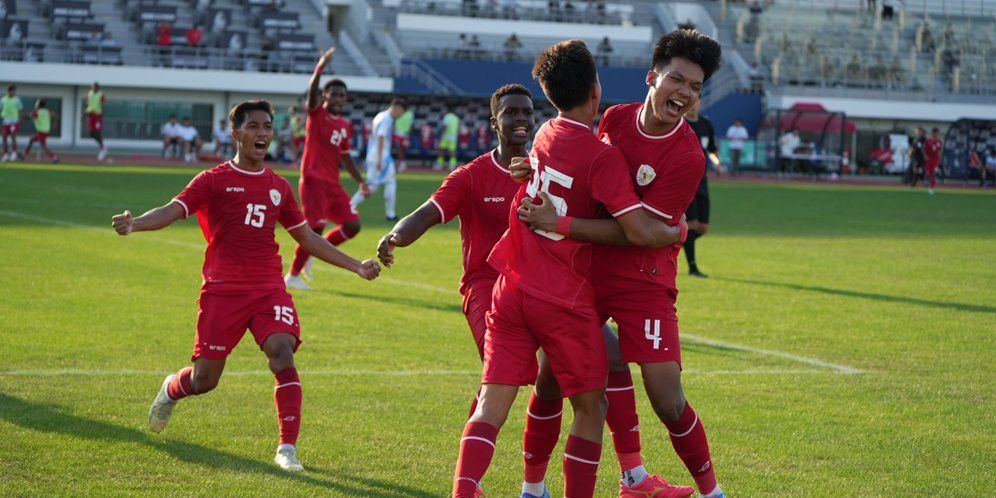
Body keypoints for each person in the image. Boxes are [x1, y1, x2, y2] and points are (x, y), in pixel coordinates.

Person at [451, 39, 687, 498]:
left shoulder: (542, 136)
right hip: (562, 296)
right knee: (590, 408)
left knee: (492, 405)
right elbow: (637, 230)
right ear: (596, 91)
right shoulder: (602, 156)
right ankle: (616, 479)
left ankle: (470, 491)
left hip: (511, 285)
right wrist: (675, 231)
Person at [110, 100, 380, 473]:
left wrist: (356, 266)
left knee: (282, 351)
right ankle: (172, 388)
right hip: (223, 290)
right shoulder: (212, 180)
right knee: (205, 379)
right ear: (235, 133)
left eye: (267, 126)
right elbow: (172, 210)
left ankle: (287, 448)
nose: (263, 133)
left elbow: (307, 238)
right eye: (253, 126)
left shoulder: (279, 187)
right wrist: (135, 223)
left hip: (268, 288)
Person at [514, 30, 726, 498]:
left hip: (643, 280)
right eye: (677, 80)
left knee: (667, 400)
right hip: (585, 273)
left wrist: (562, 223)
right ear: (652, 77)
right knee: (550, 379)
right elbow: (582, 179)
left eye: (695, 86)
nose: (686, 93)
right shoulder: (613, 119)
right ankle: (536, 487)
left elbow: (640, 235)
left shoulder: (688, 156)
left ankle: (712, 492)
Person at [375, 84, 538, 416]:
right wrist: (394, 236)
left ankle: (629, 466)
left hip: (537, 286)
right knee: (505, 369)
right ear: (494, 122)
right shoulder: (471, 176)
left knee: (575, 373)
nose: (520, 119)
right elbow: (427, 213)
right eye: (511, 112)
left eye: (526, 112)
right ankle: (471, 459)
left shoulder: (545, 172)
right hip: (486, 287)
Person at [284, 47, 370, 291]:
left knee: (352, 225)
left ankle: (312, 254)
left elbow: (346, 158)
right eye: (334, 95)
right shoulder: (316, 113)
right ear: (325, 97)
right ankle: (292, 275)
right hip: (313, 180)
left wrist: (360, 181)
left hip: (333, 183)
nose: (338, 99)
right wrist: (320, 66)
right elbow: (311, 93)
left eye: (342, 96)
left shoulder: (344, 125)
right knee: (315, 228)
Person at [350, 98, 407, 221]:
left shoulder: (380, 115)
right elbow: (381, 136)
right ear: (397, 107)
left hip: (373, 153)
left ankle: (350, 206)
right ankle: (390, 214)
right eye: (401, 112)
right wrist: (381, 159)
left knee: (374, 185)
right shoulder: (387, 119)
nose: (400, 115)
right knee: (387, 182)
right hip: (381, 155)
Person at [684, 100, 720, 279]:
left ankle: (673, 243)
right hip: (686, 182)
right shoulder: (680, 124)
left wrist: (717, 163)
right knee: (691, 224)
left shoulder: (706, 124)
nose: (693, 104)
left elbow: (712, 150)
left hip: (702, 181)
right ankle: (692, 268)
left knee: (702, 227)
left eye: (696, 100)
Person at [24, 99, 59, 163]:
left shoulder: (36, 112)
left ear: (39, 105)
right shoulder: (47, 111)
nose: (35, 105)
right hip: (46, 131)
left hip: (41, 131)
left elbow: (28, 117)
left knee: (43, 146)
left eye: (36, 104)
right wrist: (55, 124)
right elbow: (55, 116)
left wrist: (22, 115)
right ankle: (24, 155)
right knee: (31, 140)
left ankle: (54, 157)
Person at [85, 82, 108, 161]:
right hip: (91, 115)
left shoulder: (101, 95)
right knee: (91, 133)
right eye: (92, 87)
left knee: (98, 132)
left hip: (98, 116)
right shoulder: (89, 93)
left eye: (95, 87)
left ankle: (102, 150)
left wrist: (103, 114)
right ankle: (103, 146)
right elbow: (88, 104)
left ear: (98, 88)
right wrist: (85, 114)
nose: (93, 88)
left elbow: (103, 105)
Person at [1, 84, 23, 162]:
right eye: (12, 91)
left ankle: (14, 153)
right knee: (4, 137)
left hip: (14, 121)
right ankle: (6, 154)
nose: (13, 92)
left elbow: (20, 111)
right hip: (6, 122)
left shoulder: (17, 100)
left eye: (14, 91)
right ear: (9, 91)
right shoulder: (3, 99)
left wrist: (19, 119)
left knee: (13, 136)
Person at [393, 106, 414, 171]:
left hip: (405, 134)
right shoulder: (398, 113)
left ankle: (403, 163)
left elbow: (411, 124)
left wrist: (408, 134)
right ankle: (402, 163)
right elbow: (395, 122)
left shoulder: (410, 114)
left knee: (402, 149)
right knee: (399, 149)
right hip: (397, 133)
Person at [923, 127, 943, 195]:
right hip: (928, 160)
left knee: (934, 174)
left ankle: (931, 188)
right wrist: (925, 156)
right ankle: (927, 181)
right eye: (935, 133)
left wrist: (939, 160)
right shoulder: (927, 141)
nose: (936, 135)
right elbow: (924, 149)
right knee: (928, 173)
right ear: (932, 133)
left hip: (935, 160)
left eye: (937, 133)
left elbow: (939, 151)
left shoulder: (939, 142)